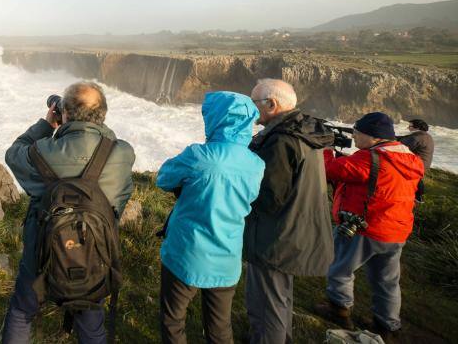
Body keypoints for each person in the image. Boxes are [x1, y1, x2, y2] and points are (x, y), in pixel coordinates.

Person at [1, 82, 135, 344]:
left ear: (64, 114)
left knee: (22, 312)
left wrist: (46, 126)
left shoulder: (40, 153)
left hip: (41, 254)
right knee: (92, 325)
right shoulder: (121, 153)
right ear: (103, 114)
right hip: (94, 254)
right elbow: (119, 200)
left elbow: (13, 154)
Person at [156, 91, 265, 344]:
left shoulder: (199, 155)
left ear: (216, 119)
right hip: (227, 257)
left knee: (173, 318)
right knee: (219, 325)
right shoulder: (256, 164)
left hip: (186, 254)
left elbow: (163, 178)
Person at [243, 78, 335, 344]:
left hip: (277, 236)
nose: (251, 110)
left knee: (266, 303)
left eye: (254, 103)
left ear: (271, 104)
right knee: (279, 296)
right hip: (295, 229)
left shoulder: (281, 140)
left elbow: (268, 196)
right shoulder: (303, 130)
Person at [318, 112, 424, 341]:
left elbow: (330, 170)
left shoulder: (369, 159)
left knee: (340, 268)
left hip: (364, 228)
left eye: (358, 132)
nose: (354, 136)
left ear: (374, 137)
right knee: (386, 280)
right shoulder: (410, 160)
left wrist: (325, 150)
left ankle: (339, 309)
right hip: (395, 231)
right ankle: (387, 324)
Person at [399, 118, 434, 201]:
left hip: (418, 164)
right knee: (417, 179)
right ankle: (418, 197)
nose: (408, 128)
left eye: (410, 126)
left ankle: (417, 197)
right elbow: (405, 138)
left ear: (417, 127)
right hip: (424, 164)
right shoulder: (426, 136)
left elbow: (401, 145)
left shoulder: (417, 137)